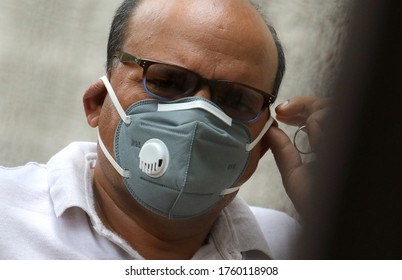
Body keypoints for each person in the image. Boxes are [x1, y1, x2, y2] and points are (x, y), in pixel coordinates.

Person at [0, 0, 327, 259]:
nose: (200, 116)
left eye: (236, 99)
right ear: (97, 102)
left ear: (263, 144)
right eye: (167, 81)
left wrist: (354, 217)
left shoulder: (293, 249)